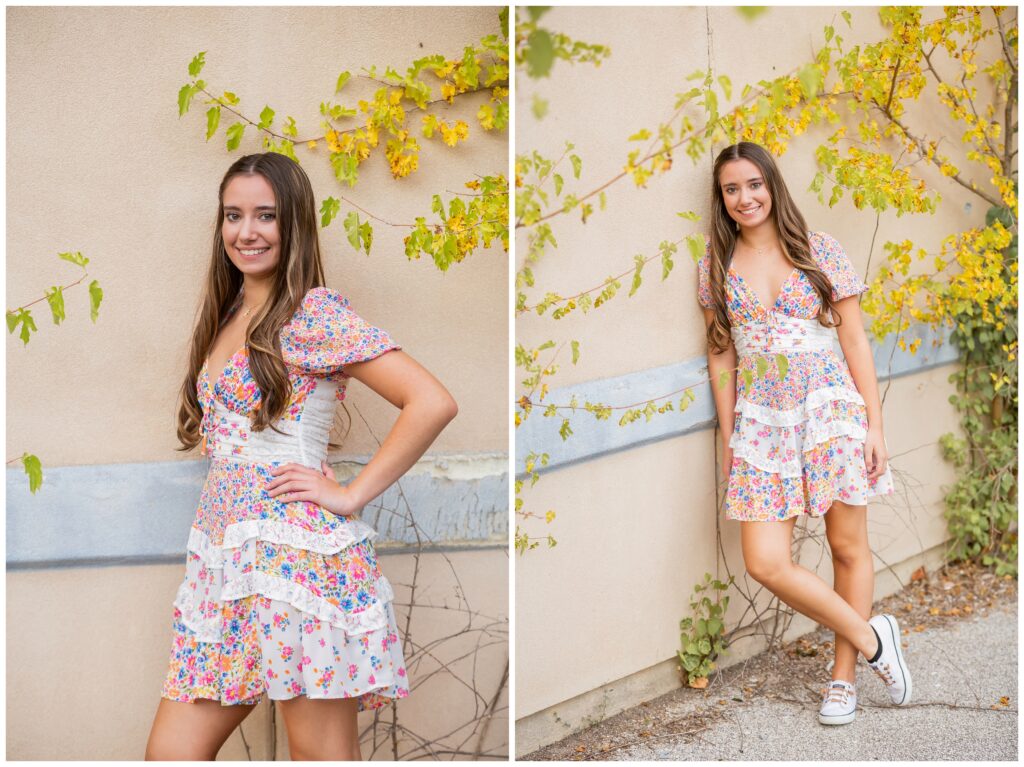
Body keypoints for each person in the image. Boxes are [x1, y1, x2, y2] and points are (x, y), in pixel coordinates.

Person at [145, 152, 458, 760]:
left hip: (300, 569)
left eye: (266, 215)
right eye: (233, 215)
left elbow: (431, 401)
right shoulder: (230, 313)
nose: (246, 231)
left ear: (294, 224)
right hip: (226, 568)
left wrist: (348, 494)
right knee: (171, 754)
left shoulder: (312, 314)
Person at [696, 141, 911, 727]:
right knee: (765, 561)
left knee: (847, 547)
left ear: (773, 185)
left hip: (831, 412)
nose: (745, 198)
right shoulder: (715, 264)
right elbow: (721, 356)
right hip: (761, 423)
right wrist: (728, 438)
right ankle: (874, 640)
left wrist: (874, 425)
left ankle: (843, 679)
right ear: (722, 198)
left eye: (754, 184)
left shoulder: (820, 251)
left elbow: (856, 341)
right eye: (731, 189)